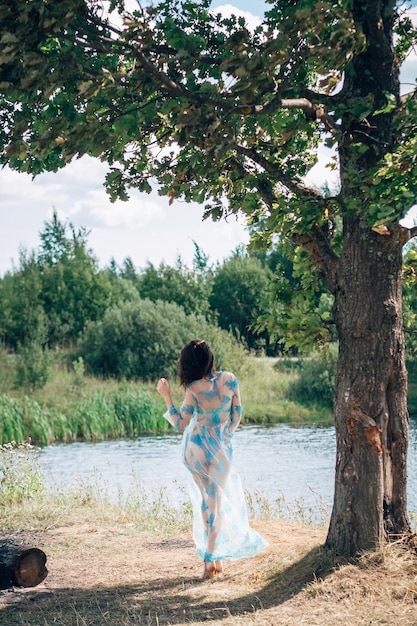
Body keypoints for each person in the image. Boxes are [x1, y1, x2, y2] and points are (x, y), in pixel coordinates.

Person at [156, 339, 268, 580]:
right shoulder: (230, 379)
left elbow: (181, 423)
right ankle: (212, 558)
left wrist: (166, 396)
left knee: (207, 503)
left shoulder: (194, 388)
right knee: (213, 502)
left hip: (195, 448)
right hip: (219, 449)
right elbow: (237, 415)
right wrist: (224, 437)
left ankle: (211, 559)